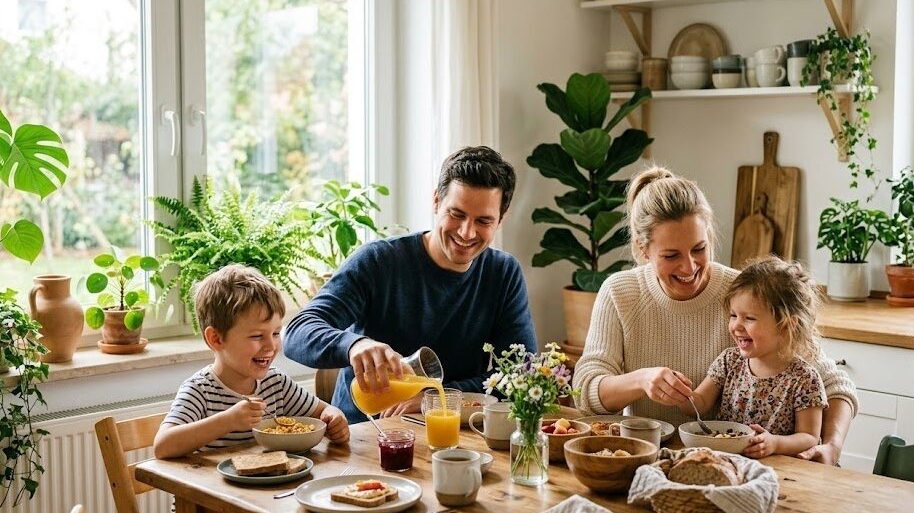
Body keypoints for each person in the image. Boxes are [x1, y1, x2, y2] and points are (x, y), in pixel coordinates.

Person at [572, 166, 858, 465]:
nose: (689, 267)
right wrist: (642, 381)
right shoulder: (620, 292)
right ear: (644, 250)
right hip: (652, 462)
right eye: (671, 256)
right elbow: (585, 391)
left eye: (699, 248)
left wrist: (832, 446)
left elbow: (834, 382)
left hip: (737, 466)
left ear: (709, 236)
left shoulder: (743, 296)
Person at [283, 146, 538, 425]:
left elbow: (519, 376)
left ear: (501, 219)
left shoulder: (502, 273)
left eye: (483, 221)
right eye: (457, 214)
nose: (467, 232)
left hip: (453, 435)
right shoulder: (379, 261)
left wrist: (435, 399)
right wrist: (354, 344)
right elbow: (297, 333)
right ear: (437, 201)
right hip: (365, 433)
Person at [153, 265, 350, 459]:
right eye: (257, 336)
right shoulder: (200, 391)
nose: (271, 346)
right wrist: (227, 421)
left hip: (272, 487)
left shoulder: (276, 383)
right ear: (216, 339)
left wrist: (334, 417)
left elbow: (322, 411)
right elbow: (162, 446)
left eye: (275, 333)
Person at [678, 256, 828, 458]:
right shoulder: (729, 361)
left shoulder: (805, 379)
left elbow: (809, 436)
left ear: (787, 325)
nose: (736, 326)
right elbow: (700, 403)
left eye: (749, 318)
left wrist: (775, 443)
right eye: (733, 315)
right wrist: (678, 393)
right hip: (727, 461)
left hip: (778, 470)